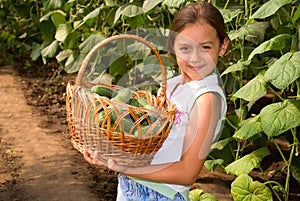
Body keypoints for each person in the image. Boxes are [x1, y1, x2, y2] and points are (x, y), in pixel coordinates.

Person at [84, 1, 230, 200]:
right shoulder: (172, 85)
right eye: (185, 48)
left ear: (223, 46)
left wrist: (125, 167)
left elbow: (187, 173)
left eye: (205, 47)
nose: (195, 58)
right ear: (173, 46)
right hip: (130, 186)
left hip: (162, 194)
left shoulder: (207, 99)